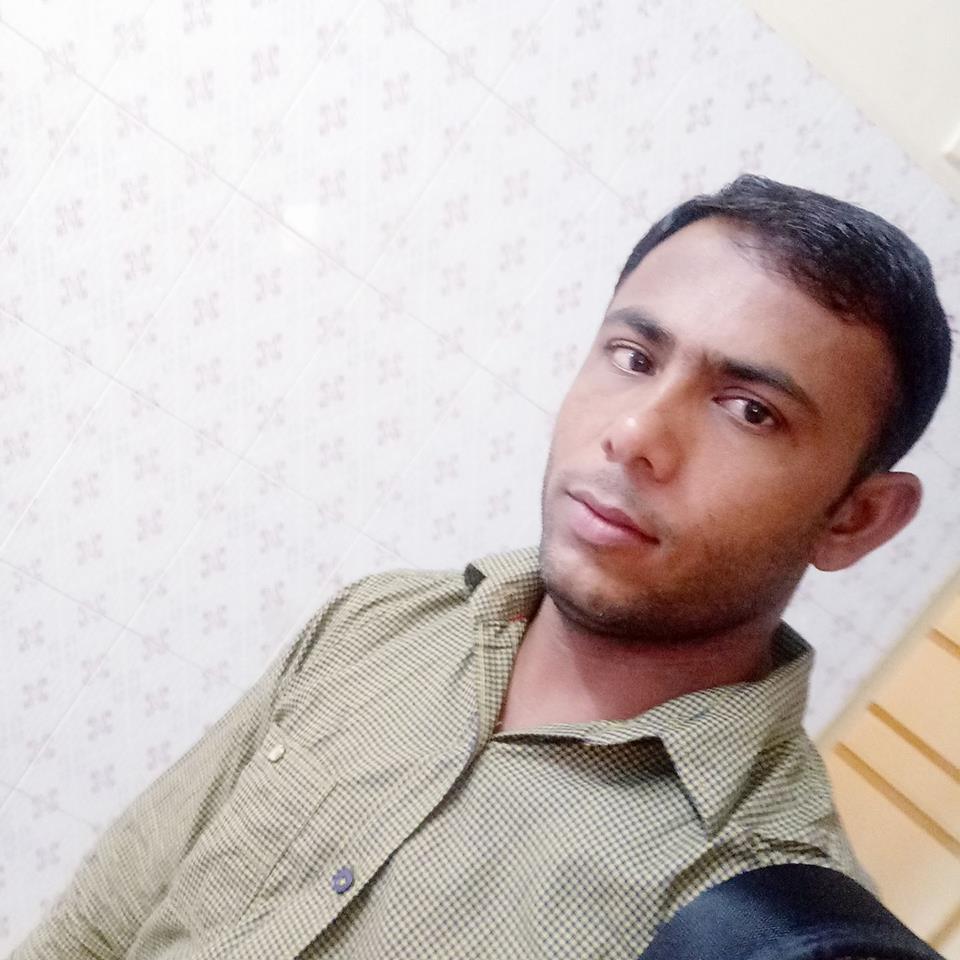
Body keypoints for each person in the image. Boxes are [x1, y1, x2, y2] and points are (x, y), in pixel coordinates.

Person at [13, 174, 952, 960]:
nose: (635, 433)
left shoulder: (752, 918)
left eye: (749, 410)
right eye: (633, 356)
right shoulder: (379, 623)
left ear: (856, 518)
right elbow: (99, 923)